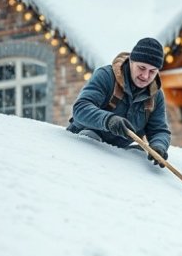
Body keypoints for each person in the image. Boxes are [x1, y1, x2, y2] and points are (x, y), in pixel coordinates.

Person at [67, 37, 171, 168]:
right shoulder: (106, 76)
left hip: (115, 157)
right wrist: (108, 120)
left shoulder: (156, 96)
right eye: (142, 68)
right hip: (81, 147)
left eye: (152, 71)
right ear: (131, 61)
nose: (145, 76)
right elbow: (80, 109)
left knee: (139, 156)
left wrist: (159, 146)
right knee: (90, 136)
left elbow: (159, 130)